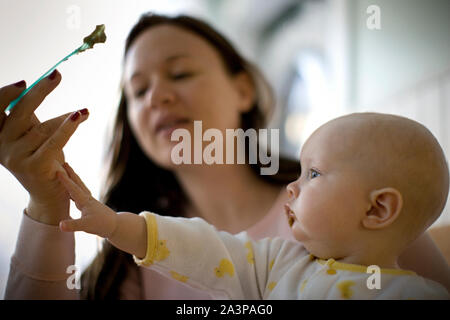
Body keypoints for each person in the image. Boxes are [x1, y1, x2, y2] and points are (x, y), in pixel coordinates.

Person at [1, 13, 449, 300]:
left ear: (243, 89)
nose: (157, 95)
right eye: (138, 91)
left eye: (180, 72)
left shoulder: (358, 207)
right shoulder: (124, 261)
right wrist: (46, 204)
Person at [55, 112, 450, 299]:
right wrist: (113, 225)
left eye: (313, 174)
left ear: (377, 210)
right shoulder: (277, 264)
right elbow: (204, 248)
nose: (292, 188)